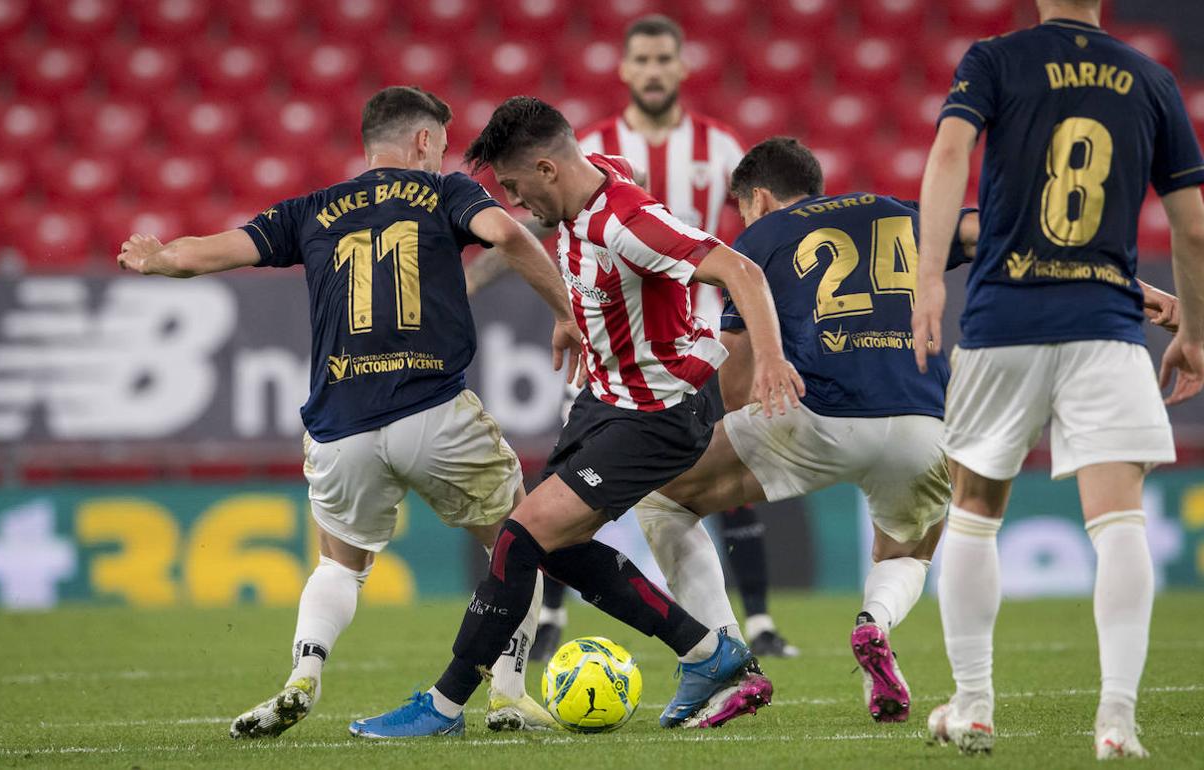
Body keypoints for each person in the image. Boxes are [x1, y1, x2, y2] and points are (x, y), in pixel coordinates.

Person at [116, 86, 581, 738]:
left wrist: (162, 258)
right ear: (423, 142)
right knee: (518, 542)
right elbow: (504, 231)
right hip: (432, 410)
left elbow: (213, 250)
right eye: (442, 145)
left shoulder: (314, 207)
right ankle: (506, 696)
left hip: (341, 427)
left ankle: (303, 676)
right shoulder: (444, 192)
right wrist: (565, 311)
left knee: (339, 564)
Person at [349, 96, 801, 739]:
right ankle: (709, 654)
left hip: (659, 412)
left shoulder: (627, 221)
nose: (515, 202)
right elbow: (611, 200)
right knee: (553, 548)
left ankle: (444, 705)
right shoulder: (598, 173)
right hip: (607, 396)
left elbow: (742, 270)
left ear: (547, 167)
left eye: (514, 187)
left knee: (520, 536)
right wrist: (580, 323)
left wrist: (769, 362)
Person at [912, 0, 1204, 758]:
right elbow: (1194, 225)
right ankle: (1118, 720)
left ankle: (973, 704)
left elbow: (948, 156)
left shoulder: (993, 59)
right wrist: (1195, 334)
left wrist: (929, 279)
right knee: (1119, 523)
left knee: (974, 511)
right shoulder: (1152, 77)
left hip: (1003, 320)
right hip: (1105, 330)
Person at [629, 136, 977, 726]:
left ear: (758, 198)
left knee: (662, 498)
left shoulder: (758, 239)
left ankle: (727, 668)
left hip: (815, 414)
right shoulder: (900, 213)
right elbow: (977, 229)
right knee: (911, 549)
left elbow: (739, 383)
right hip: (923, 417)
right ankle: (875, 623)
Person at [523, 13, 795, 661]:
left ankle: (754, 623)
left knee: (718, 475)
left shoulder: (719, 147)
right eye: (640, 59)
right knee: (569, 479)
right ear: (625, 69)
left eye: (662, 59)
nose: (651, 70)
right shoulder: (590, 145)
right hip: (613, 349)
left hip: (704, 346)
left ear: (681, 67)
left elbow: (755, 234)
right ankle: (554, 619)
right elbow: (553, 236)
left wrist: (754, 326)